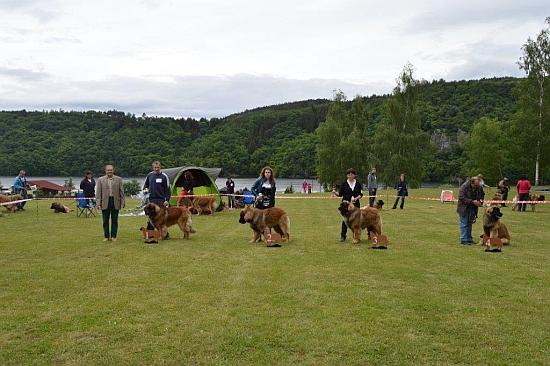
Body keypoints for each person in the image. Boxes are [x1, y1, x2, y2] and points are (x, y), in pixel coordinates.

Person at [96, 165, 125, 242]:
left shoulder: (119, 179)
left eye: (111, 170)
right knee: (105, 220)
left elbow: (121, 191)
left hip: (115, 201)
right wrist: (98, 203)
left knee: (114, 220)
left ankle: (113, 236)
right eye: (108, 170)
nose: (110, 171)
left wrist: (123, 202)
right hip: (105, 202)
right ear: (106, 171)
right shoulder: (100, 180)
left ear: (113, 170)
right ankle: (106, 236)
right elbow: (98, 193)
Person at [143, 161, 171, 233]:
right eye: (155, 167)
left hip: (161, 200)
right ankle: (149, 233)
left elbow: (168, 189)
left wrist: (167, 200)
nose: (156, 169)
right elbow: (145, 186)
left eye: (157, 167)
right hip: (151, 199)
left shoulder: (164, 176)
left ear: (160, 167)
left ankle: (165, 234)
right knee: (150, 217)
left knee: (161, 218)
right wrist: (145, 191)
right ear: (153, 167)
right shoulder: (149, 175)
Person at [457, 176, 485, 245]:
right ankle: (464, 239)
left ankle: (469, 239)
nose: (477, 186)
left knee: (470, 223)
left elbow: (482, 194)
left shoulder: (479, 187)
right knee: (464, 223)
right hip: (464, 208)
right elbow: (461, 197)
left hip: (473, 208)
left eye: (478, 185)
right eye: (475, 185)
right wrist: (472, 201)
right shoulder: (464, 187)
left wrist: (481, 201)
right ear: (471, 183)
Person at [338, 168, 364, 242]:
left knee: (357, 222)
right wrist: (335, 193)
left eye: (351, 174)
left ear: (354, 175)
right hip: (345, 206)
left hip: (355, 205)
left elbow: (361, 194)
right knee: (345, 221)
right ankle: (343, 236)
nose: (350, 176)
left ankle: (357, 237)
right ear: (347, 176)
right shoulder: (344, 184)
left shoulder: (358, 184)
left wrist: (356, 198)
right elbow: (340, 194)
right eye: (349, 175)